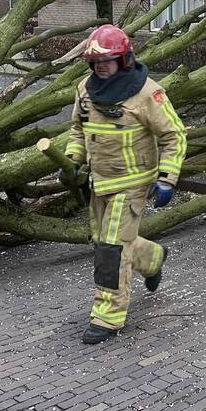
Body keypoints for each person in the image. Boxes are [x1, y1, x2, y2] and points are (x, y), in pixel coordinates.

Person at [66, 24, 187, 344]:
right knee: (103, 240)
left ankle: (108, 315)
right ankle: (152, 258)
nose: (101, 67)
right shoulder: (84, 91)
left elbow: (174, 135)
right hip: (99, 183)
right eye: (95, 62)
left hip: (133, 185)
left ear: (125, 59)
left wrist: (167, 178)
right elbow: (79, 131)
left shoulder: (147, 93)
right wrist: (72, 159)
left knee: (111, 248)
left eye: (107, 61)